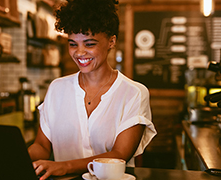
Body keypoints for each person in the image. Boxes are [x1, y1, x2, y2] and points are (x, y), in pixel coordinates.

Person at [28, 0, 157, 179]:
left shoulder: (133, 93)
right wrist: (17, 157)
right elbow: (42, 146)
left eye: (89, 44)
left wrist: (63, 167)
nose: (79, 52)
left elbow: (120, 155)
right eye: (73, 44)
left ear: (111, 41)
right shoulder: (57, 88)